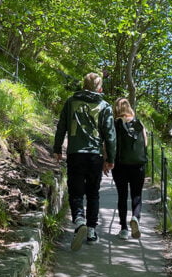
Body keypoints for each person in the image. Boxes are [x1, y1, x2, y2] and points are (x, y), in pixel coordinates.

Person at [53, 72, 116, 251]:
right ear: (100, 88)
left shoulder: (71, 102)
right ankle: (91, 231)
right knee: (93, 193)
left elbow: (62, 126)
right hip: (95, 155)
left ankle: (79, 220)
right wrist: (110, 159)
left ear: (83, 85)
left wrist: (57, 148)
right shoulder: (104, 106)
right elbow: (110, 136)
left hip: (75, 154)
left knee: (76, 192)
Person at [112, 97, 147, 240]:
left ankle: (124, 229)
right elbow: (145, 144)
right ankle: (135, 217)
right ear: (129, 108)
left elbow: (109, 143)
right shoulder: (139, 124)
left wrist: (107, 161)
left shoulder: (115, 124)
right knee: (136, 195)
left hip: (120, 165)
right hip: (138, 165)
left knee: (122, 196)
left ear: (116, 109)